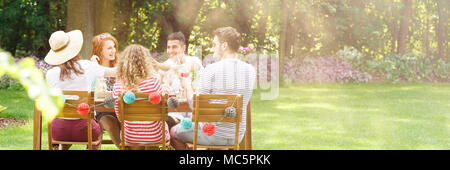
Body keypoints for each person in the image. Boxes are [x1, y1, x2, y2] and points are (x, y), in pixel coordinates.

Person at [169, 27, 256, 150]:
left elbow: (195, 105)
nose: (212, 48)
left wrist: (187, 85)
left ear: (224, 45)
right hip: (237, 135)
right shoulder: (250, 70)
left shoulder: (212, 69)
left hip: (212, 132)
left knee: (172, 132)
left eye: (214, 44)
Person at [44, 30, 117, 150]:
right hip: (85, 129)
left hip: (58, 130)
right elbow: (114, 72)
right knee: (96, 130)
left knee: (67, 129)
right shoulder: (87, 66)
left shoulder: (50, 74)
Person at [112, 44, 170, 150]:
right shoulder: (153, 83)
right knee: (152, 132)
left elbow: (120, 117)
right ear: (146, 62)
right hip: (155, 135)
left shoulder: (118, 86)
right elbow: (162, 110)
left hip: (130, 136)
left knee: (139, 134)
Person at [156, 32, 204, 129]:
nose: (170, 50)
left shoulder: (193, 61)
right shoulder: (164, 66)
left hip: (192, 111)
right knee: (166, 120)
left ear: (183, 48)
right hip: (174, 111)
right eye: (168, 47)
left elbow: (189, 68)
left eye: (174, 47)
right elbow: (157, 87)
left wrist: (171, 68)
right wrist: (163, 87)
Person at [89, 33, 122, 149]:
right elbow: (96, 91)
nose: (113, 50)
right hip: (101, 111)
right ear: (100, 50)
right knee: (111, 123)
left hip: (121, 109)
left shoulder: (119, 66)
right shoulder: (92, 67)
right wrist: (94, 68)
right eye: (109, 48)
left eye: (114, 47)